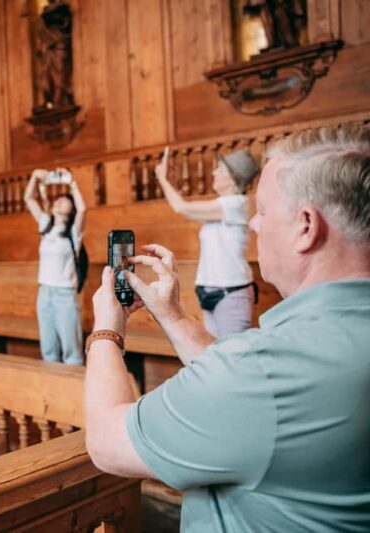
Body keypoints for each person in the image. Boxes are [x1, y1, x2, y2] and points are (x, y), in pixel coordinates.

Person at [84, 124, 370, 532]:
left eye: (265, 211)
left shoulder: (263, 372)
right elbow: (242, 384)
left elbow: (106, 441)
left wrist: (106, 331)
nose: (253, 224)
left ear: (306, 226)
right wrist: (174, 317)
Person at [155, 148, 260, 337]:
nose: (213, 173)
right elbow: (188, 209)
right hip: (208, 289)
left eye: (219, 169)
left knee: (231, 359)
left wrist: (162, 179)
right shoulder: (222, 206)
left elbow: (181, 208)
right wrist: (171, 182)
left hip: (231, 293)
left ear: (233, 177)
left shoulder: (236, 204)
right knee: (214, 356)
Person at [24, 168, 86, 365]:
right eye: (58, 198)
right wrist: (34, 176)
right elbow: (29, 199)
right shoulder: (46, 226)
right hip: (44, 293)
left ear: (72, 207)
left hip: (64, 294)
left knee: (72, 350)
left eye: (65, 199)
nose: (60, 200)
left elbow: (84, 209)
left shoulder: (74, 233)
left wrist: (71, 183)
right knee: (48, 350)